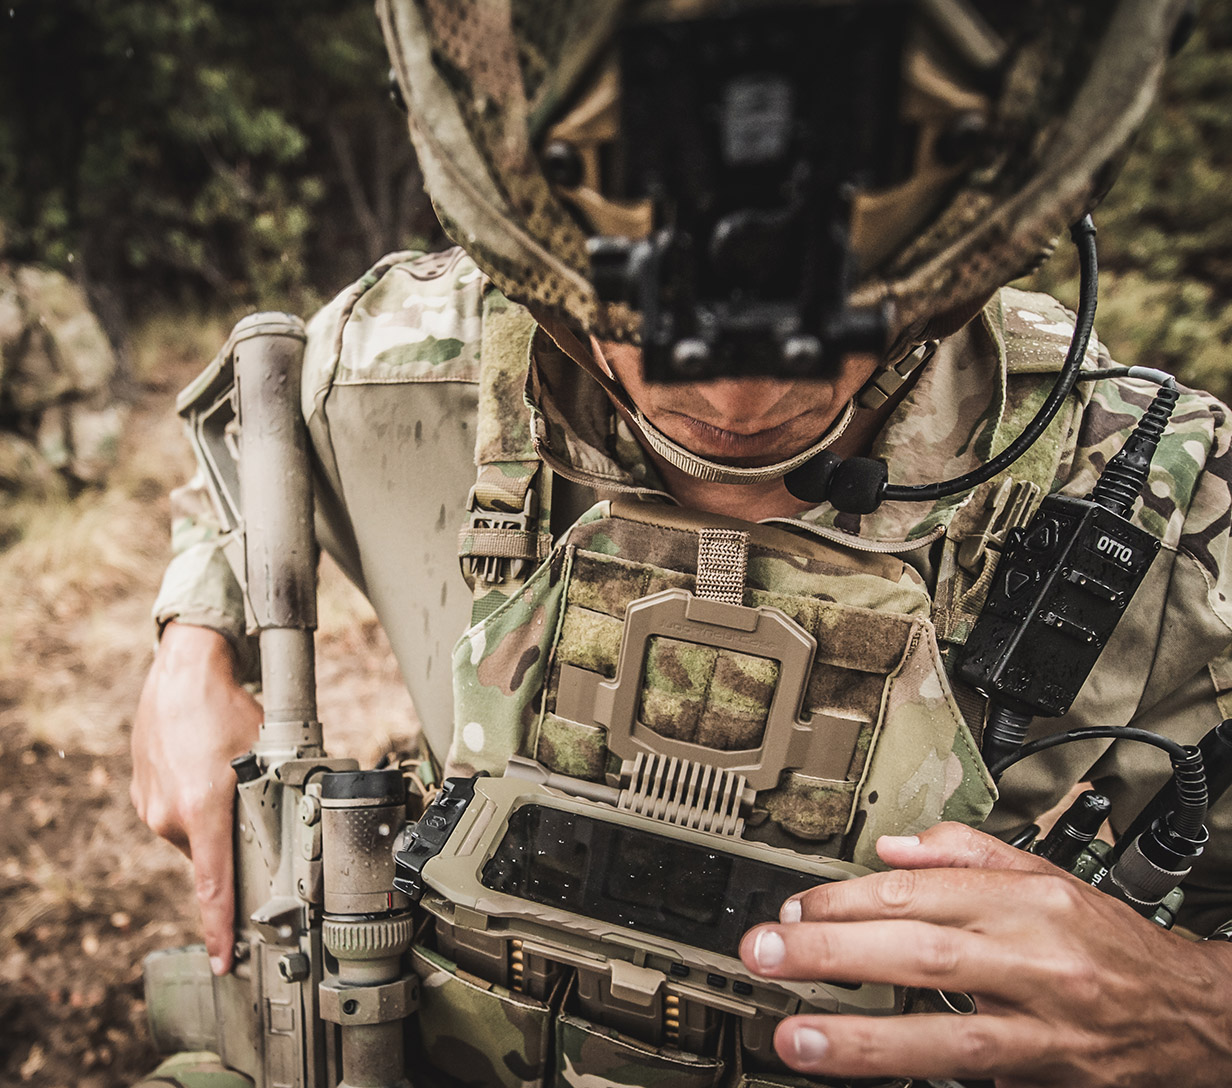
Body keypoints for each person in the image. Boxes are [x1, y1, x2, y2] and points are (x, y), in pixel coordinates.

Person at [132, 1, 1232, 1085]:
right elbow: (254, 441)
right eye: (651, 301)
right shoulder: (405, 364)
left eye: (825, 298)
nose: (734, 393)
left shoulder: (1168, 513)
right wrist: (192, 643)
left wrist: (1196, 1003)